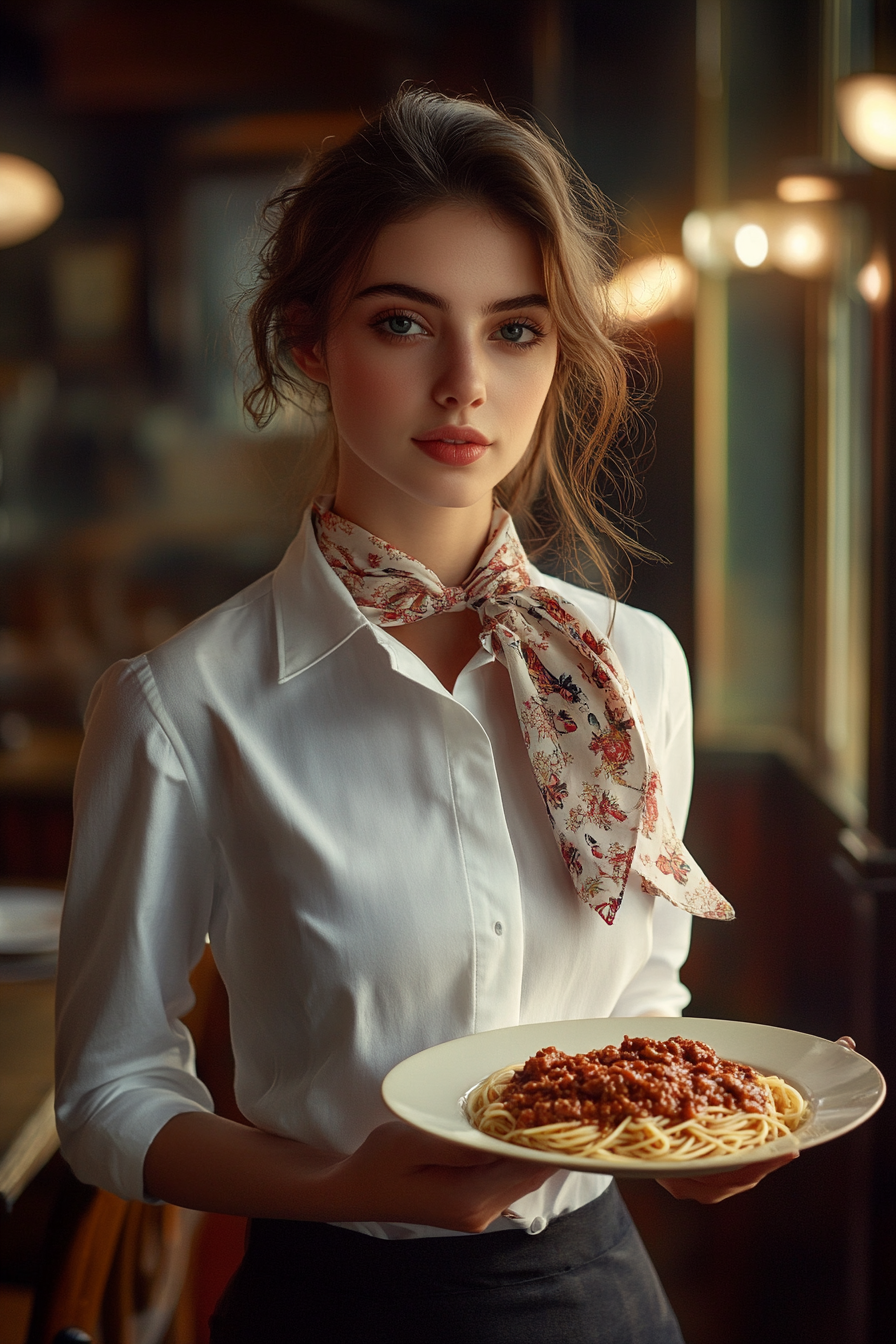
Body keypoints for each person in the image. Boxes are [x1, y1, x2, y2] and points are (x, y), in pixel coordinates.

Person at [55, 89, 796, 1343]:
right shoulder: (182, 706)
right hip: (334, 1301)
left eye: (514, 331)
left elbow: (642, 1003)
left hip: (601, 1294)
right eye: (403, 322)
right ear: (305, 343)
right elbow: (108, 1092)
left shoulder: (631, 666)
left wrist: (687, 1139)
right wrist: (332, 1183)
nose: (465, 385)